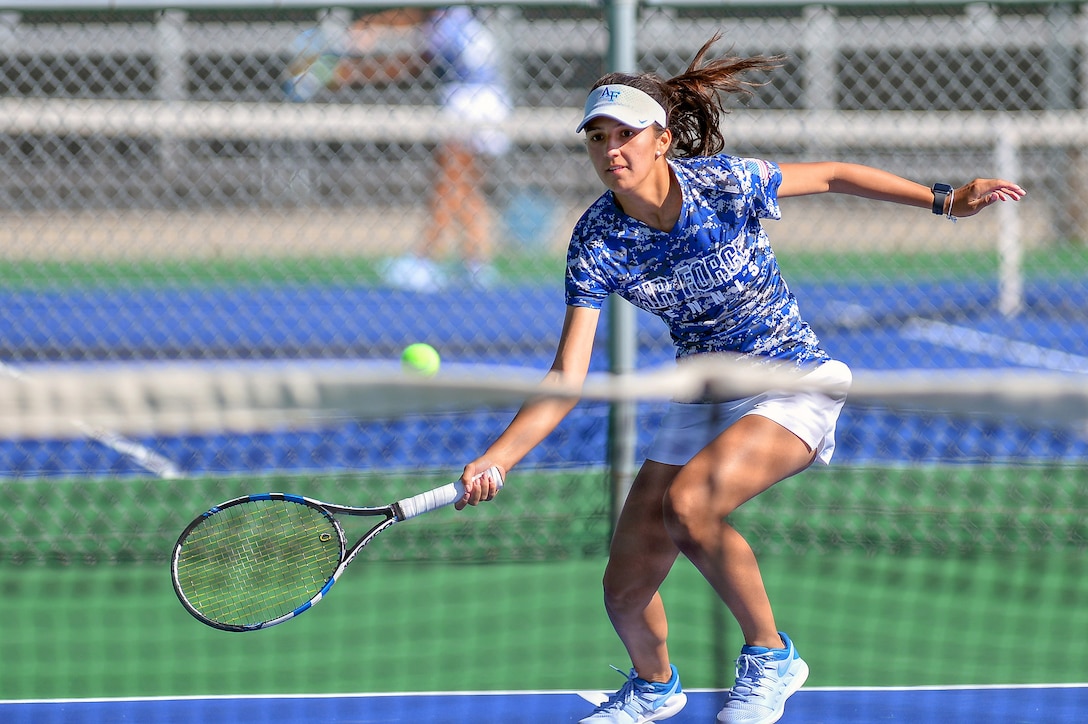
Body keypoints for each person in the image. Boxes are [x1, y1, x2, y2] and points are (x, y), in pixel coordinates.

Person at [453, 33, 1026, 724]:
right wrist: (499, 457)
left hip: (792, 378)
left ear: (662, 139)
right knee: (625, 590)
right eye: (597, 138)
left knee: (691, 506)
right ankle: (656, 686)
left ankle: (771, 654)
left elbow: (836, 174)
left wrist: (945, 199)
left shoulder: (723, 184)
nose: (611, 152)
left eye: (625, 135)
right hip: (704, 390)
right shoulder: (596, 240)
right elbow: (567, 375)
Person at [284, 8, 511, 290]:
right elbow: (409, 19)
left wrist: (344, 73)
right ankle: (476, 264)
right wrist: (369, 26)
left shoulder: (443, 27)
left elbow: (408, 63)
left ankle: (424, 260)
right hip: (491, 102)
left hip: (468, 104)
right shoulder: (457, 20)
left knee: (447, 183)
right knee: (466, 187)